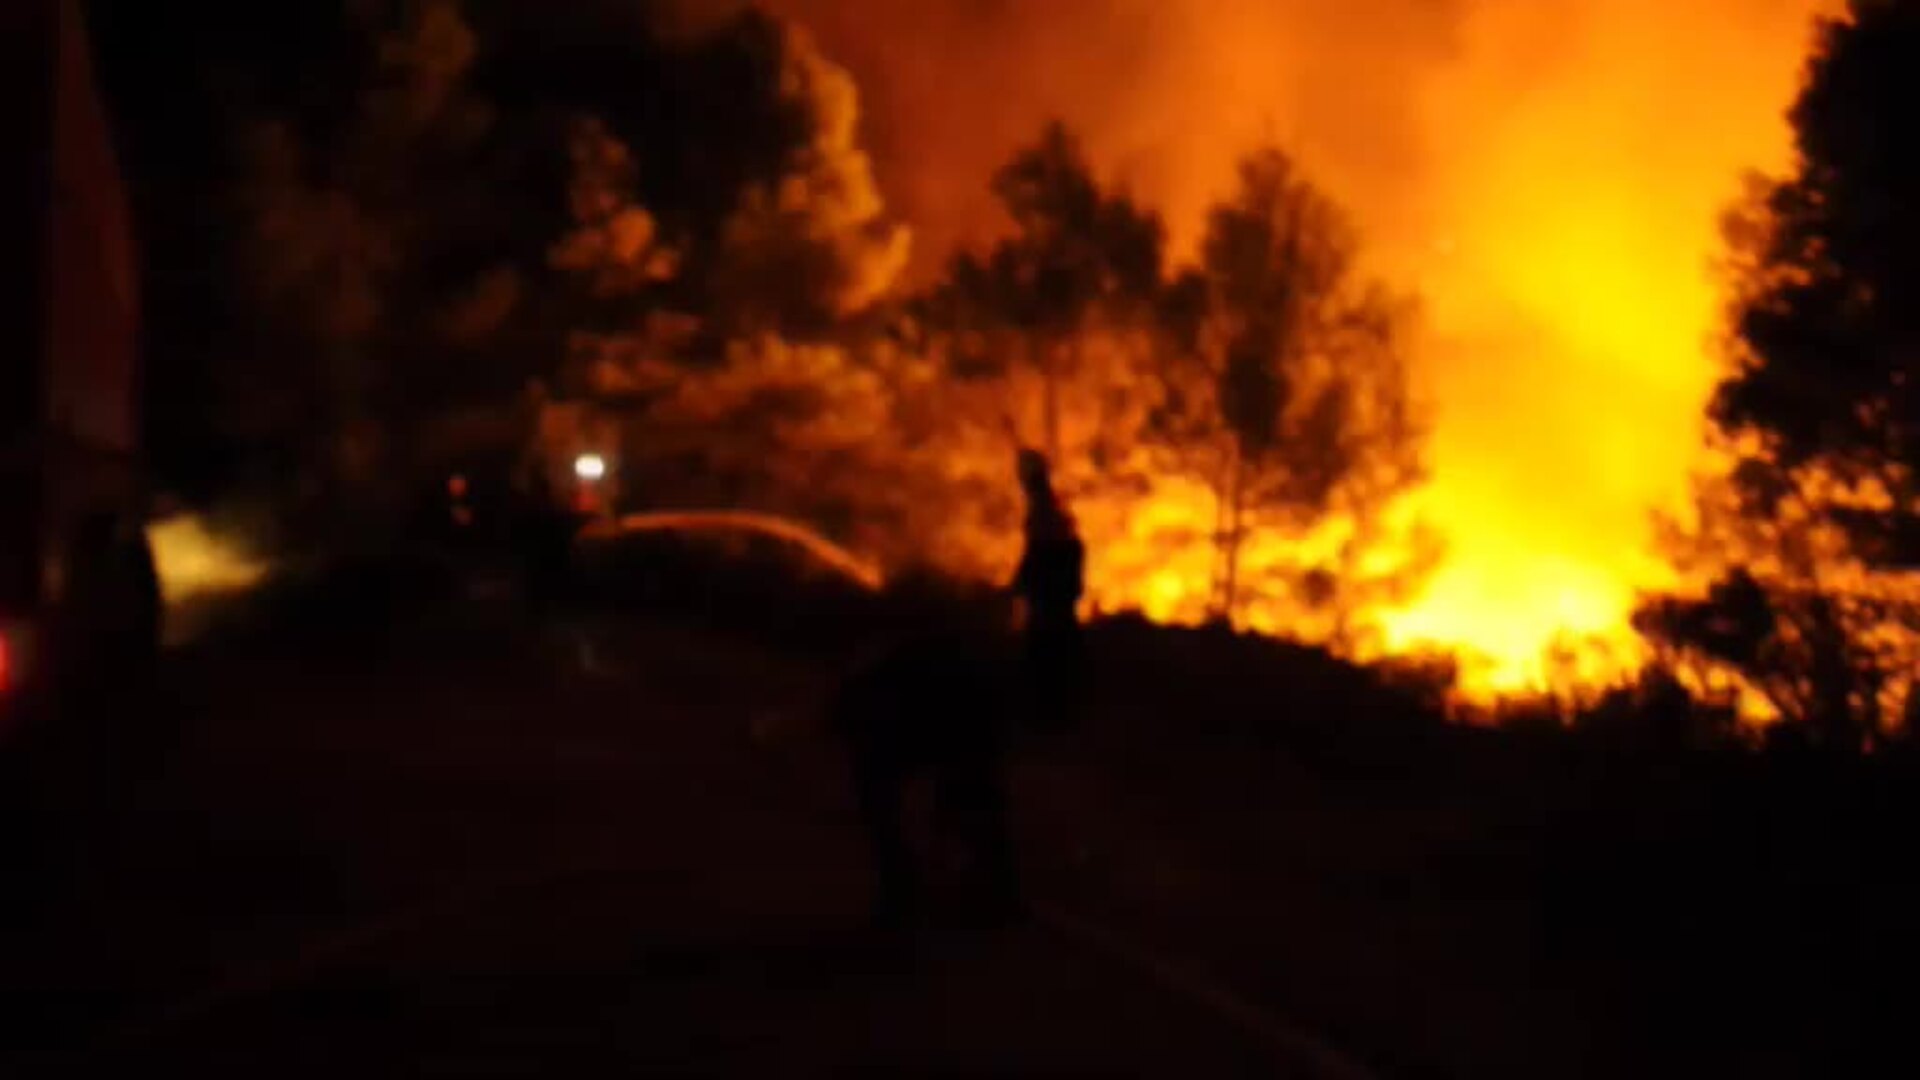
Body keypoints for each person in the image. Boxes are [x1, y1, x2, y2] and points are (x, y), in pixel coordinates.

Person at [1011, 449, 1085, 731]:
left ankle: (1051, 718)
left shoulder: (1044, 517)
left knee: (1046, 660)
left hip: (1049, 606)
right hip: (1056, 604)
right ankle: (1059, 715)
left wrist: (1019, 586)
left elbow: (1036, 557)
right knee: (1057, 657)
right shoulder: (1051, 518)